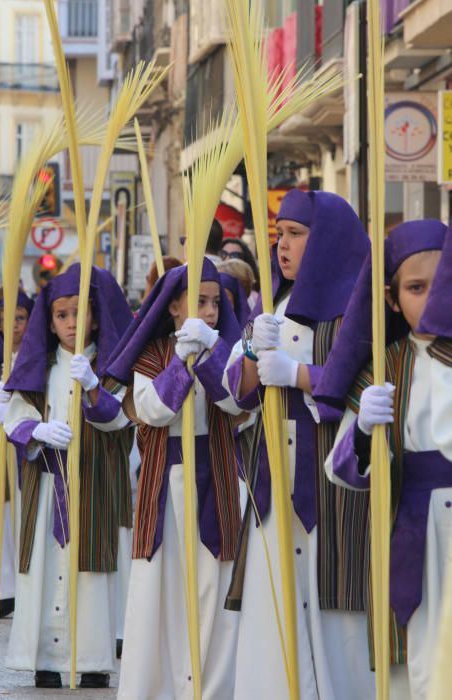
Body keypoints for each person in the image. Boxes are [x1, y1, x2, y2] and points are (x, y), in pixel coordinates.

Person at [223, 189, 373, 700]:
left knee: (334, 598)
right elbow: (237, 394)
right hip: (274, 472)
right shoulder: (270, 303)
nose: (281, 245)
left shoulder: (359, 305)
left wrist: (300, 375)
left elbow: (363, 379)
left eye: (295, 234)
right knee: (274, 599)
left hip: (334, 471)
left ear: (325, 238)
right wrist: (248, 347)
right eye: (278, 234)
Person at [318, 219, 451, 699]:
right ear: (392, 299)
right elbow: (339, 468)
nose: (432, 297)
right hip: (413, 531)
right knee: (415, 655)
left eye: (443, 283)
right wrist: (363, 429)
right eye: (416, 288)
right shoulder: (385, 365)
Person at [106, 258, 243, 700]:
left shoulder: (225, 348)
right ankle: (158, 688)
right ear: (173, 307)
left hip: (217, 477)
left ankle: (212, 687)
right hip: (164, 481)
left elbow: (237, 403)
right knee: (161, 590)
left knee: (213, 586)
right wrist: (183, 360)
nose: (208, 312)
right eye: (198, 302)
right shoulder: (152, 354)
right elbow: (152, 410)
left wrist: (211, 353)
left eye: (214, 303)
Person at [3, 264, 134, 689]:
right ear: (50, 319)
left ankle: (93, 656)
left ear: (96, 315)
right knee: (44, 564)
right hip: (47, 483)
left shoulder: (114, 364)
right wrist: (35, 430)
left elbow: (123, 420)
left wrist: (95, 386)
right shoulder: (38, 366)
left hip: (95, 482)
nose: (72, 323)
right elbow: (16, 414)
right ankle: (45, 657)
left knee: (93, 570)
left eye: (80, 313)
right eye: (62, 315)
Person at [0, 289, 34, 619]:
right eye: (6, 319)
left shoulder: (37, 356)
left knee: (22, 514)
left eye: (20, 318)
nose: (12, 325)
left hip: (25, 449)